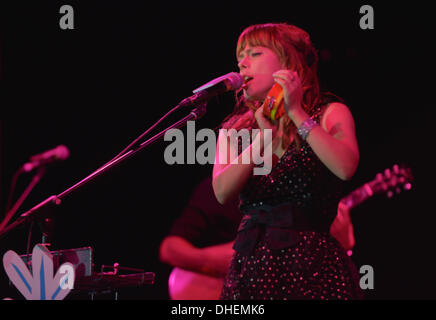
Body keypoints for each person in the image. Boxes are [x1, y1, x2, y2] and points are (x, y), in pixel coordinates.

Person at [212, 23, 362, 300]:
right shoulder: (234, 129)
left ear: (288, 61)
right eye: (239, 58)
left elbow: (345, 166)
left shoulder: (329, 113)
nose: (242, 64)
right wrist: (262, 139)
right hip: (252, 270)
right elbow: (222, 191)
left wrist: (295, 113)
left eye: (254, 53)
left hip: (314, 268)